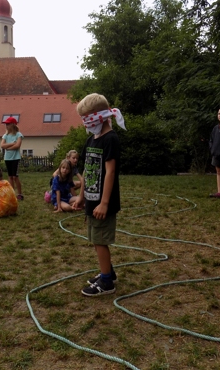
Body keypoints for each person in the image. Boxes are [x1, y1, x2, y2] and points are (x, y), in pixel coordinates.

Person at [72, 93, 126, 297]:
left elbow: (110, 172)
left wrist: (104, 202)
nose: (85, 122)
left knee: (101, 240)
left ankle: (106, 283)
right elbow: (87, 169)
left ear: (99, 116)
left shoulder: (110, 139)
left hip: (104, 202)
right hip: (91, 200)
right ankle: (108, 273)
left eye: (87, 117)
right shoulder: (91, 139)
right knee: (95, 238)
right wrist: (81, 196)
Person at [0, 117, 24, 200]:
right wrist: (12, 144)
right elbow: (2, 145)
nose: (6, 125)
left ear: (13, 124)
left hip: (15, 158)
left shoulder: (18, 135)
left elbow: (17, 146)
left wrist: (8, 147)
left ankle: (20, 194)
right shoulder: (5, 135)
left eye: (8, 124)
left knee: (15, 177)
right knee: (10, 176)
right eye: (6, 124)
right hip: (7, 158)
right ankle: (12, 194)